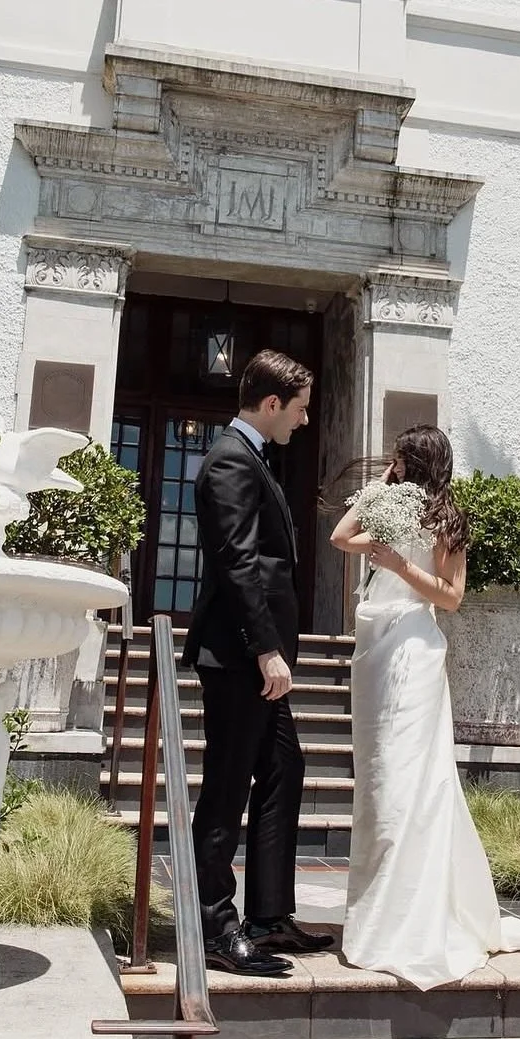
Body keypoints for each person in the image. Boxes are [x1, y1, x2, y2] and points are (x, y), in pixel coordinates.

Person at [331, 426, 520, 990]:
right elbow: (340, 536)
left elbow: (452, 597)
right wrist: (380, 493)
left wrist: (401, 566)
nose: (395, 466)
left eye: (401, 460)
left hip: (413, 649)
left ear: (420, 461)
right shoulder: (390, 505)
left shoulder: (449, 521)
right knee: (379, 778)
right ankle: (379, 905)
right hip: (374, 649)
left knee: (410, 779)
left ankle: (410, 914)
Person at [185, 348, 335, 975]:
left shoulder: (254, 458)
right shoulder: (228, 461)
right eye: (299, 410)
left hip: (259, 658)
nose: (303, 422)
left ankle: (269, 916)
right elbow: (238, 561)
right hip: (241, 657)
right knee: (226, 788)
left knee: (284, 770)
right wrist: (267, 648)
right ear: (272, 404)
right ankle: (217, 928)